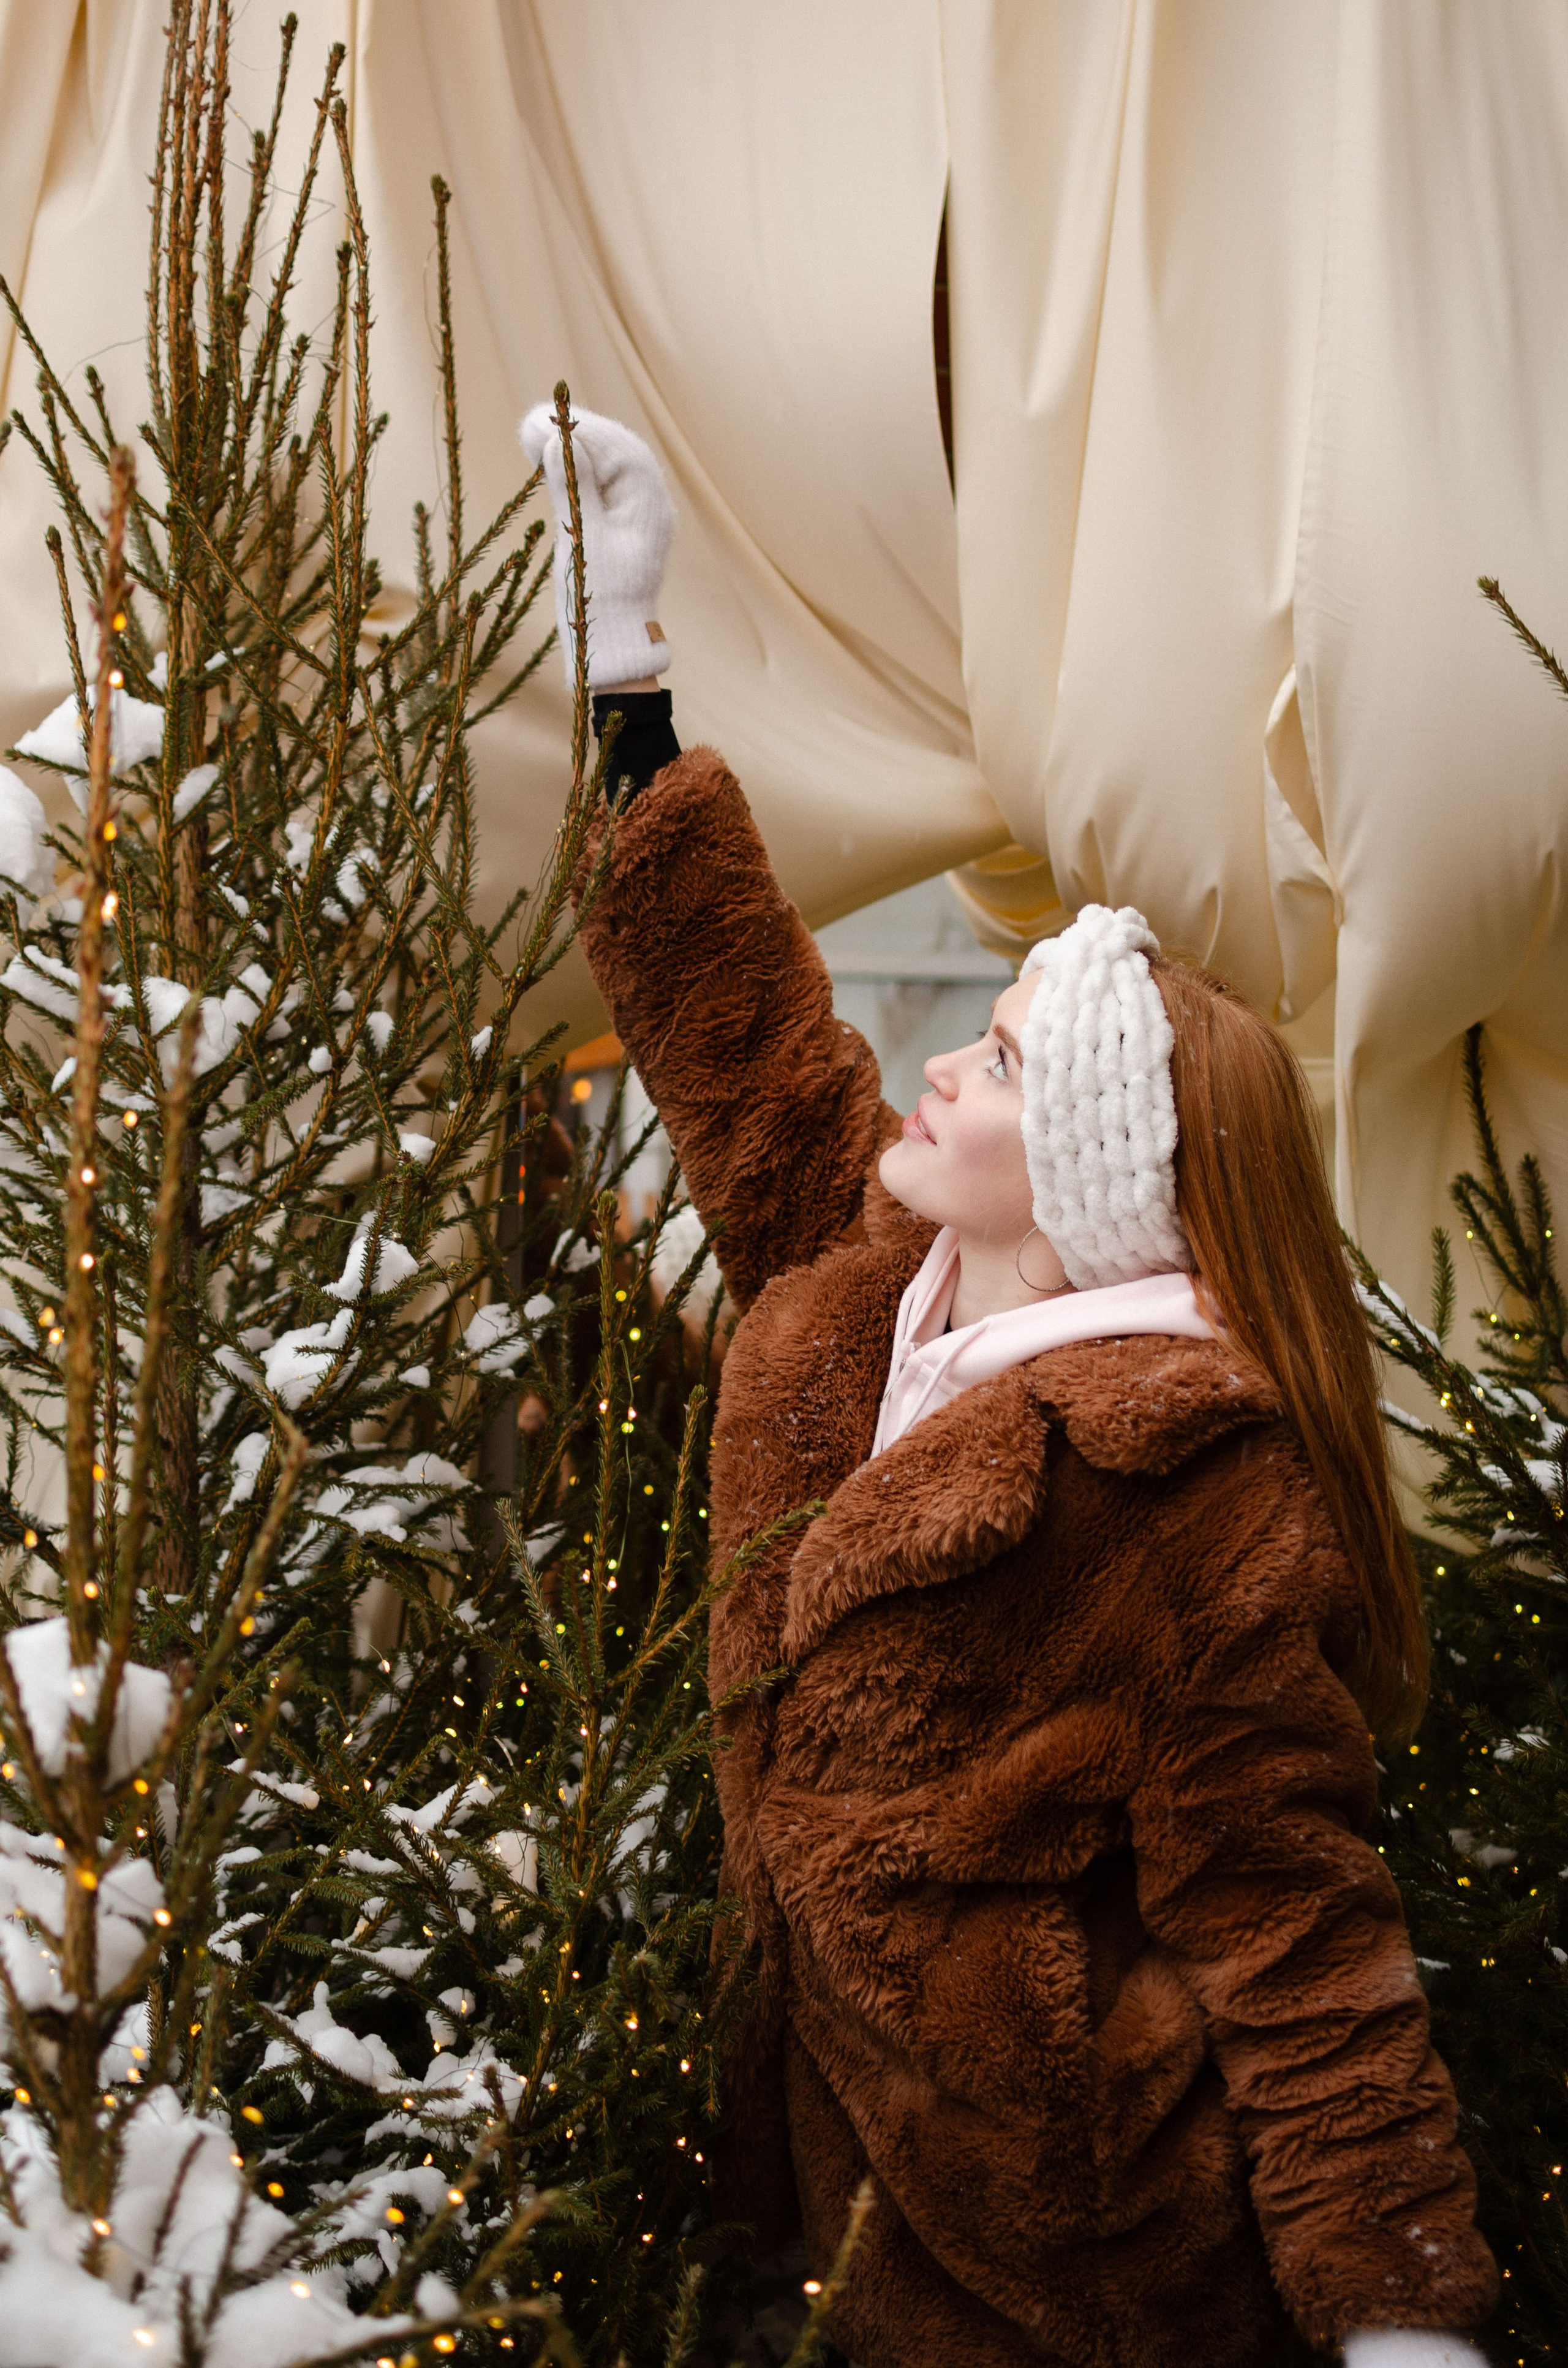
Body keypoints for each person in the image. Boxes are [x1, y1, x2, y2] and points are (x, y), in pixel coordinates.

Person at [521, 405, 1499, 2368]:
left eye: (1006, 1061)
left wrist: (1404, 2320)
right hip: (829, 2199)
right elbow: (732, 1020)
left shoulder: (1191, 1491)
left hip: (1070, 2272)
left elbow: (1300, 1939)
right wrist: (625, 661)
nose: (946, 1068)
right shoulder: (868, 1282)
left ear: (1085, 1173)